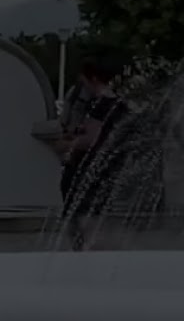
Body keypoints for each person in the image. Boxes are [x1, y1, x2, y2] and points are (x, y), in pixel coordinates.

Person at [61, 58, 129, 250]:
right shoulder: (118, 104)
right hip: (106, 170)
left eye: (84, 80)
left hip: (89, 172)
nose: (82, 85)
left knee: (84, 220)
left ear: (94, 79)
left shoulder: (102, 105)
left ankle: (85, 254)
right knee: (95, 217)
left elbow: (91, 140)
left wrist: (67, 145)